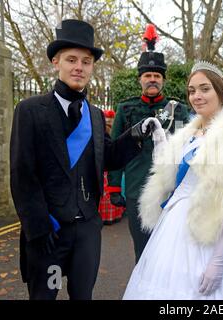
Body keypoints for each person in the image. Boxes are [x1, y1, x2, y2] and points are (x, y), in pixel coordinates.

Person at [9, 19, 151, 300]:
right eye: (71, 59)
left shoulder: (95, 115)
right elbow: (22, 174)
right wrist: (37, 227)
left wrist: (136, 135)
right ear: (55, 61)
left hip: (87, 229)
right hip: (49, 229)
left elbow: (107, 157)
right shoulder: (29, 111)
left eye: (86, 62)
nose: (79, 67)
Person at [122, 61, 223, 299]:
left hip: (210, 232)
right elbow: (175, 171)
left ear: (220, 91)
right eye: (192, 90)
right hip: (174, 227)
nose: (196, 96)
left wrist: (217, 261)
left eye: (204, 89)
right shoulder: (191, 131)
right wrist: (159, 137)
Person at [108, 25, 190, 263]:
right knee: (142, 250)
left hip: (171, 188)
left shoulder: (179, 109)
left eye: (157, 76)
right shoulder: (125, 108)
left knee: (171, 249)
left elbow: (187, 148)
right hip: (137, 188)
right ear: (140, 80)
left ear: (163, 80)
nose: (152, 80)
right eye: (148, 76)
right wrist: (114, 188)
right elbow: (115, 150)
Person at [98, 109, 126, 225]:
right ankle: (113, 215)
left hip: (104, 168)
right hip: (110, 167)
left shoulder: (101, 130)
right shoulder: (114, 130)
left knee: (105, 193)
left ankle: (105, 216)